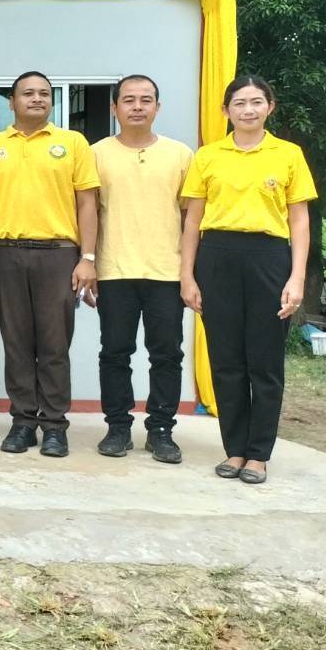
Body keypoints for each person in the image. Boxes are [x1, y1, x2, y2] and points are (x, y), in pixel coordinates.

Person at [181, 75, 315, 485]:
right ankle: (235, 450)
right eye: (239, 103)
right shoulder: (208, 156)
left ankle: (259, 454)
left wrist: (296, 277)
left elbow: (299, 220)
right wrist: (187, 274)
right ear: (226, 111)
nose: (248, 110)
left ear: (270, 107)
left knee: (265, 361)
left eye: (257, 102)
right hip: (217, 258)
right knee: (226, 361)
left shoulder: (288, 154)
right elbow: (192, 219)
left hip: (269, 259)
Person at [0, 71, 100, 458]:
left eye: (44, 93)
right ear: (10, 102)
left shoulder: (73, 143)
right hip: (6, 252)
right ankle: (23, 421)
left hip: (58, 254)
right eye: (27, 93)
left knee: (54, 343)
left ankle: (55, 426)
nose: (37, 99)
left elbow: (87, 204)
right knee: (16, 342)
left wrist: (88, 258)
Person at [93, 75, 194, 463]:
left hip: (166, 271)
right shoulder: (96, 153)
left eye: (146, 100)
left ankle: (162, 430)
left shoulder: (180, 155)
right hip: (114, 270)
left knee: (167, 354)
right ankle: (118, 427)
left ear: (158, 107)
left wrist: (189, 272)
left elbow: (191, 219)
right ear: (114, 107)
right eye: (129, 100)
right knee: (115, 353)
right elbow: (86, 213)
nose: (138, 106)